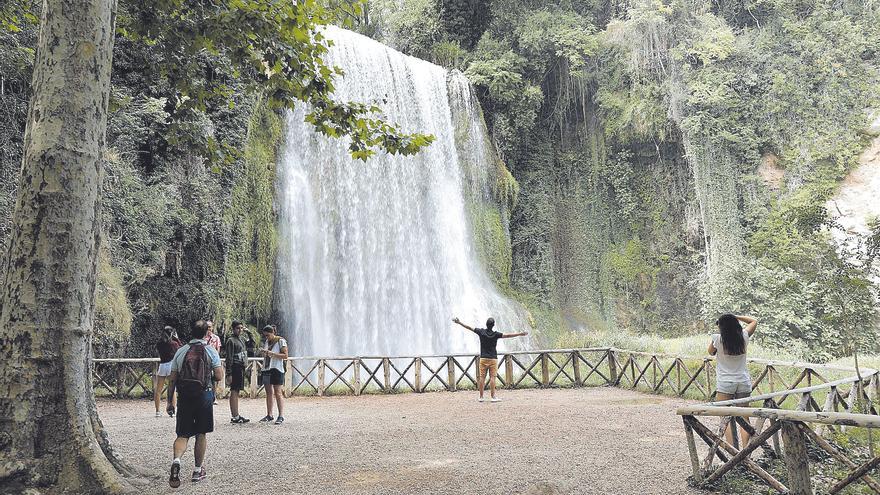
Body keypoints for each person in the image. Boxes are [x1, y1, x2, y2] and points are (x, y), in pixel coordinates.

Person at [168, 320, 223, 487]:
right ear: (207, 333)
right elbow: (219, 376)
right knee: (201, 433)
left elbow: (172, 379)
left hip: (184, 396)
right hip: (204, 395)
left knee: (183, 434)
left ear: (190, 332)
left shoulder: (181, 351)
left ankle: (177, 460)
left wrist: (170, 401)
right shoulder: (210, 350)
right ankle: (198, 470)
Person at [708, 314, 758, 447]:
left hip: (725, 382)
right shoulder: (744, 337)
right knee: (744, 417)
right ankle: (745, 451)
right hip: (743, 381)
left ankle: (732, 452)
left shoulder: (717, 339)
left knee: (725, 416)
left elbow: (710, 352)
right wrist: (734, 316)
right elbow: (753, 321)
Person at [452, 316, 528, 402]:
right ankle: (493, 397)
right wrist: (520, 334)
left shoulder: (481, 332)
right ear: (493, 325)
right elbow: (508, 335)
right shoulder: (496, 334)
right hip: (493, 359)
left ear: (486, 324)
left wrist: (459, 322)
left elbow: (469, 327)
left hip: (483, 358)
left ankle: (481, 397)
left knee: (482, 377)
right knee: (492, 377)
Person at [259, 325, 288, 424]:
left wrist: (272, 354)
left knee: (278, 392)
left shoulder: (281, 341)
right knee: (268, 392)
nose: (266, 337)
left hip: (277, 368)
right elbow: (267, 354)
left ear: (272, 333)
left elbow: (285, 356)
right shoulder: (267, 342)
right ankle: (269, 414)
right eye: (265, 336)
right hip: (267, 368)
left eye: (268, 335)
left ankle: (281, 416)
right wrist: (264, 353)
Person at [224, 321, 250, 424]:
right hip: (235, 367)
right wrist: (229, 373)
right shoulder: (231, 340)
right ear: (233, 329)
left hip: (241, 367)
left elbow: (252, 343)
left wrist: (248, 332)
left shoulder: (242, 339)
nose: (240, 330)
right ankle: (235, 416)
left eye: (241, 328)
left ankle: (237, 414)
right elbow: (229, 357)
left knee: (237, 391)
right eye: (238, 328)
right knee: (234, 391)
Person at [155, 326, 183, 417]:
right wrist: (177, 339)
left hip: (162, 365)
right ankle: (172, 410)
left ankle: (157, 411)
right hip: (171, 365)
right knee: (172, 388)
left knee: (158, 390)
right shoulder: (174, 344)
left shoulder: (159, 343)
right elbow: (181, 349)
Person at [205, 320, 221, 405]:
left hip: (213, 362)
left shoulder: (216, 338)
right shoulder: (202, 338)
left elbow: (218, 350)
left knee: (215, 380)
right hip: (204, 362)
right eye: (207, 327)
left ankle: (214, 397)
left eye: (210, 327)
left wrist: (215, 361)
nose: (209, 329)